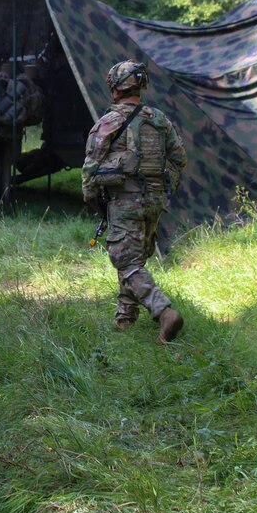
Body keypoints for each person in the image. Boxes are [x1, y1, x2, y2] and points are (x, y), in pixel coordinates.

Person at [82, 59, 188, 343]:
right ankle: (125, 318)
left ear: (116, 89)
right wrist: (163, 186)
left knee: (125, 259)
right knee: (136, 256)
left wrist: (92, 198)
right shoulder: (159, 119)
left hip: (124, 200)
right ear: (140, 87)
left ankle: (163, 311)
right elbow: (179, 159)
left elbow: (91, 167)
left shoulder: (110, 121)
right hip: (154, 200)